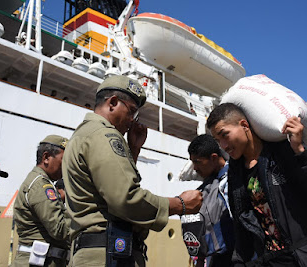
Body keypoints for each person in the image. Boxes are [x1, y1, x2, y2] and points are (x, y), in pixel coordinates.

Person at [62, 75, 203, 267]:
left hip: (97, 252)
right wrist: (180, 205)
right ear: (112, 103)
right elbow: (125, 198)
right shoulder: (105, 134)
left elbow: (106, 189)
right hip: (109, 255)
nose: (132, 121)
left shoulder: (84, 134)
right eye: (131, 112)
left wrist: (133, 151)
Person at [206, 103, 307, 267]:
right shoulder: (235, 172)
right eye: (218, 140)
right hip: (272, 261)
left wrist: (301, 152)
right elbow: (241, 223)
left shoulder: (284, 151)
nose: (223, 146)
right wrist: (239, 261)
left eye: (225, 135)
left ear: (244, 125)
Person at [12, 135, 70, 267]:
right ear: (46, 157)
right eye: (64, 161)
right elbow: (59, 229)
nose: (66, 167)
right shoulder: (40, 185)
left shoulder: (41, 182)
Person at [186, 134, 234, 267]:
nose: (195, 168)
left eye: (197, 161)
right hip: (216, 258)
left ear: (213, 158)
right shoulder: (205, 188)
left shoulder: (233, 178)